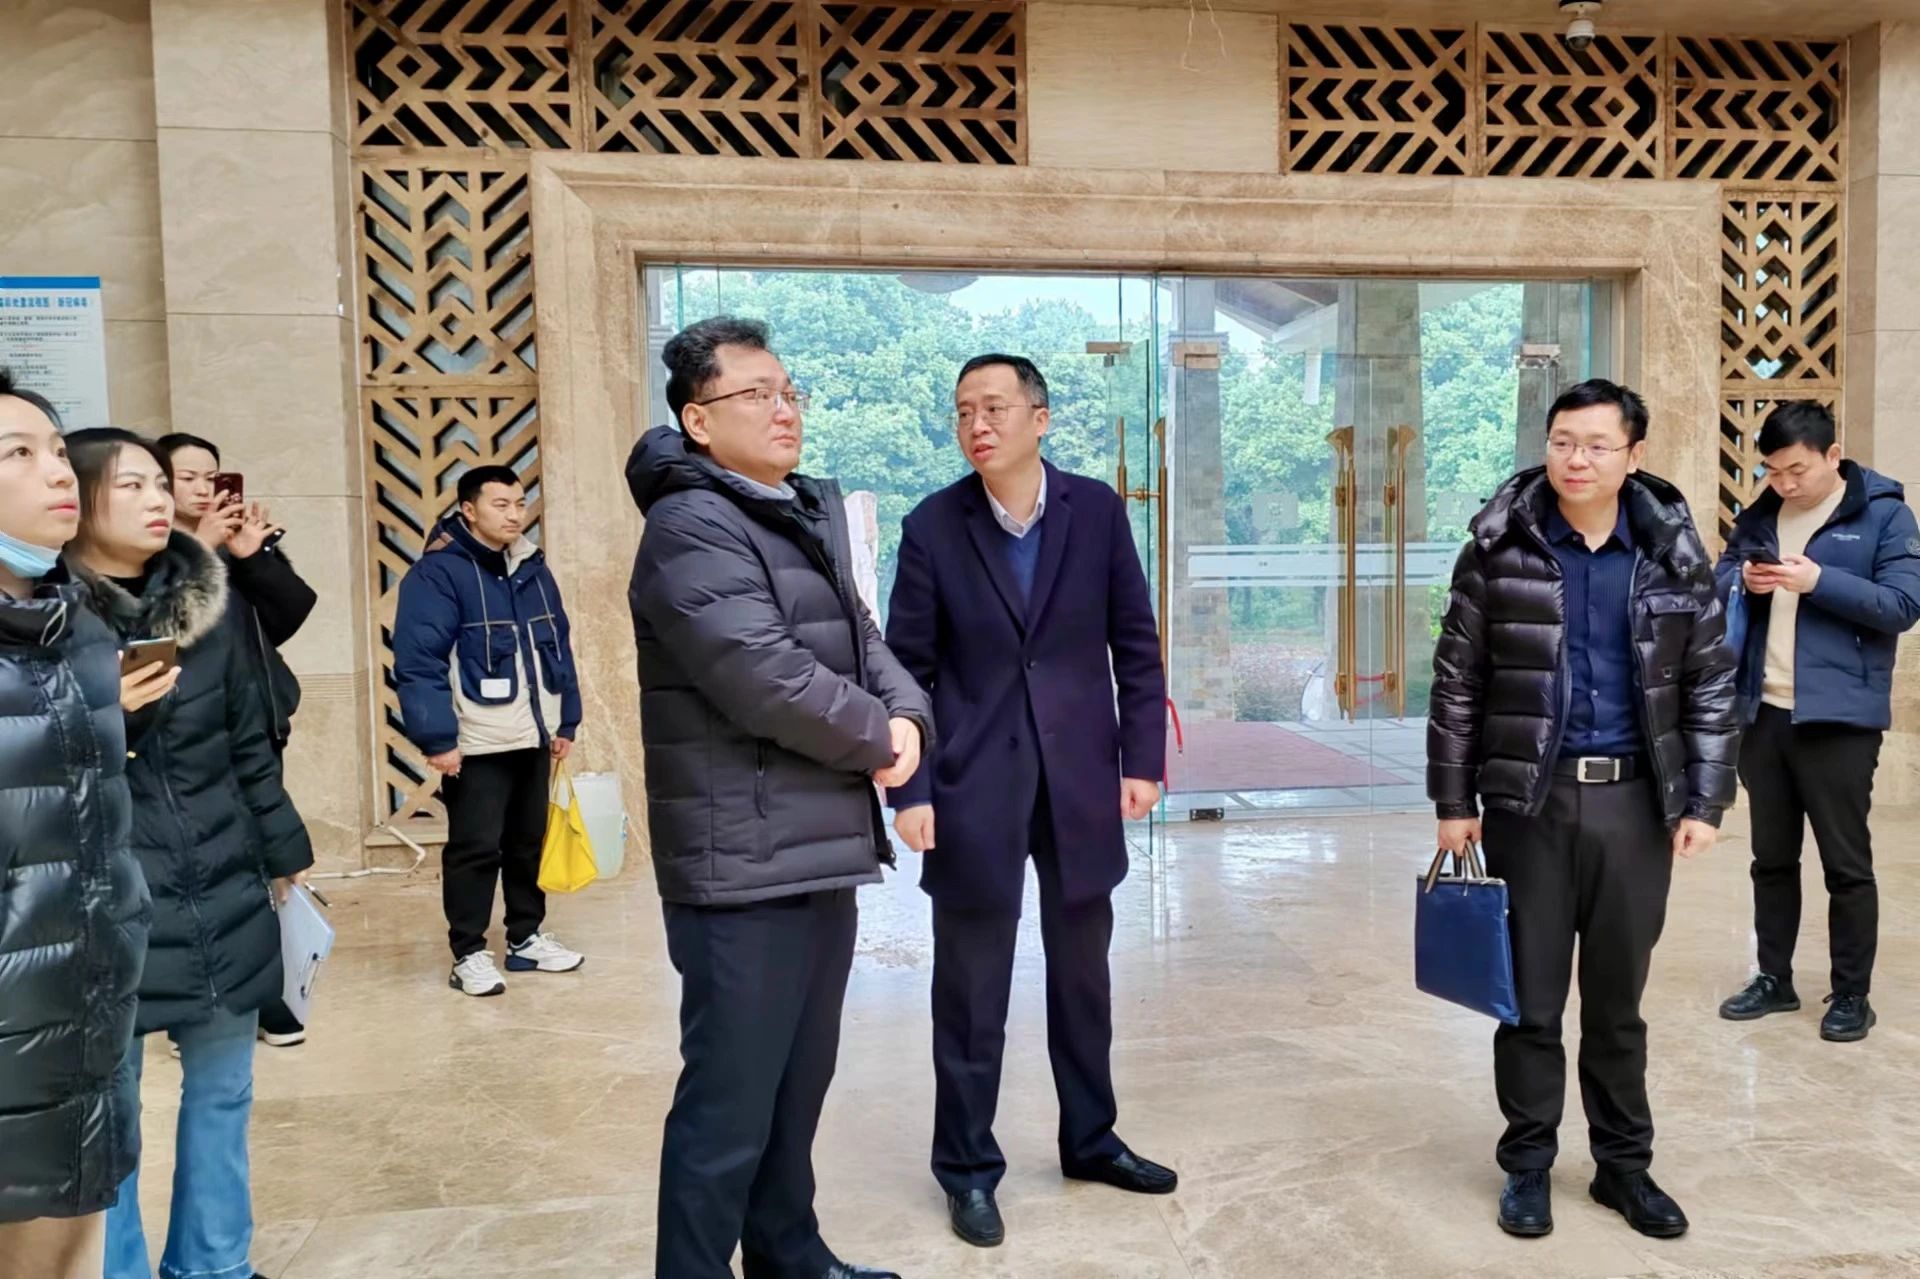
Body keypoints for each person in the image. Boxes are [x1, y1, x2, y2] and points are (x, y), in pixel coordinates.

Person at [627, 316, 931, 1279]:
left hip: (817, 845)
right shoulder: (690, 523)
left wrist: (909, 716)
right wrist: (879, 736)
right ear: (698, 419)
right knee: (729, 1103)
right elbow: (761, 673)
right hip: (741, 860)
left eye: (788, 390)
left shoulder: (791, 511)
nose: (783, 408)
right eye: (755, 393)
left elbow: (864, 637)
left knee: (796, 1085)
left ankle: (789, 1254)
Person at [1428, 379, 1737, 1241]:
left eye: (1598, 445)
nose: (1577, 459)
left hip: (1636, 803)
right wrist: (1453, 798)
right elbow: (1458, 681)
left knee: (1616, 1002)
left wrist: (1707, 797)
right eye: (1564, 441)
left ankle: (1622, 1167)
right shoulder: (1501, 547)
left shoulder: (1672, 552)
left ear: (1634, 454)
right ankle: (1527, 1162)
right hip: (1529, 801)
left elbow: (1711, 681)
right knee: (1528, 999)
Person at [885, 354, 1173, 1249]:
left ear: (1039, 418)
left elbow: (1135, 642)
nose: (977, 424)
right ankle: (968, 1169)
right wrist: (912, 789)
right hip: (974, 784)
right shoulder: (933, 526)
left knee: (1084, 979)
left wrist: (1143, 758)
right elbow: (906, 672)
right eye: (963, 410)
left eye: (995, 407)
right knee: (971, 988)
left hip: (1081, 777)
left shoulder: (1097, 511)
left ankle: (1091, 1139)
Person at [57, 428, 314, 1279]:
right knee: (112, 1110)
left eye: (159, 484)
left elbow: (249, 743)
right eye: (130, 484)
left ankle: (215, 1263)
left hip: (220, 875)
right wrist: (111, 716)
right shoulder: (42, 620)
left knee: (225, 1089)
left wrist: (281, 848)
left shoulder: (217, 605)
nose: (158, 498)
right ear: (78, 501)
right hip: (104, 896)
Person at [0, 376, 168, 1279]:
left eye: (58, 450)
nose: (58, 473)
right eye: (18, 454)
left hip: (82, 1012)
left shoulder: (78, 629)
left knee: (71, 1252)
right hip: (13, 1025)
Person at [1713, 401, 1920, 1042]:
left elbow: (1902, 604)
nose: (1784, 483)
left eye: (1796, 470)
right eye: (1773, 471)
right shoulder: (1761, 513)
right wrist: (1743, 580)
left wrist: (1819, 580)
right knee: (1770, 859)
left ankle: (1851, 993)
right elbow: (1719, 580)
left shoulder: (1883, 514)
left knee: (1845, 864)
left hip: (1839, 719)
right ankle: (1773, 978)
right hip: (1763, 713)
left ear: (1833, 455)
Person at [393, 464, 585, 996]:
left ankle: (525, 938)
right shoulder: (437, 574)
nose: (514, 514)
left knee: (528, 843)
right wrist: (438, 739)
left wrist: (566, 719)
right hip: (476, 741)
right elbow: (419, 662)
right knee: (476, 847)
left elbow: (558, 648)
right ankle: (469, 953)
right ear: (469, 510)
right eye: (500, 504)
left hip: (533, 734)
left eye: (519, 503)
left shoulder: (532, 568)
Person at [160, 431, 318, 1047]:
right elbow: (162, 635)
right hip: (187, 740)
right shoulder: (153, 557)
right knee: (208, 872)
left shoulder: (235, 546)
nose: (204, 489)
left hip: (255, 726)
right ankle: (203, 1003)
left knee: (265, 868)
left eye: (213, 476)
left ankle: (266, 994)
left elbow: (290, 614)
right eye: (188, 478)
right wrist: (198, 553)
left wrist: (251, 558)